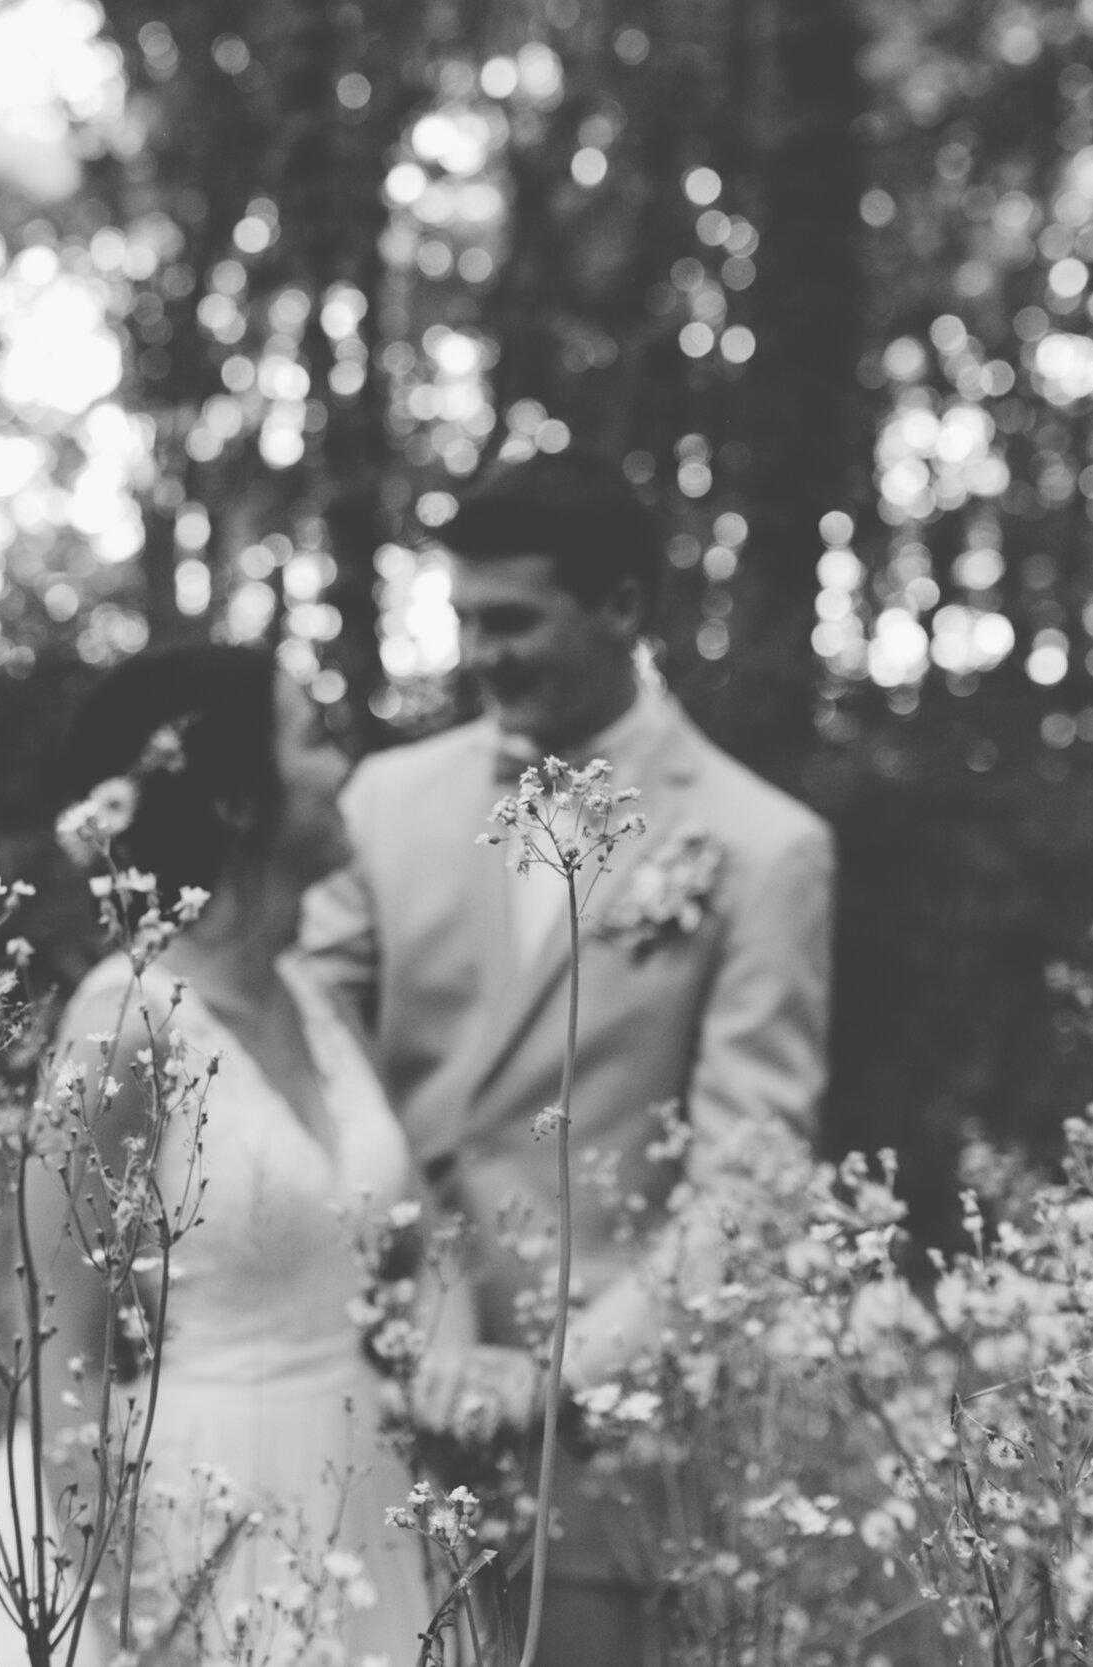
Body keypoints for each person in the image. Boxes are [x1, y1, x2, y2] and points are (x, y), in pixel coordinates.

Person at [302, 448, 834, 1667]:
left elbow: (752, 1167)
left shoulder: (764, 845)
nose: (480, 654)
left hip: (603, 1424)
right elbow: (311, 1068)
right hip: (372, 1373)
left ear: (624, 607)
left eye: (512, 620)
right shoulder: (383, 802)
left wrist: (566, 1369)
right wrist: (424, 1319)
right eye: (463, 620)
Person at [0, 646, 434, 1667]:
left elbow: (407, 1252)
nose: (337, 763)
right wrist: (130, 1609)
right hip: (201, 1512)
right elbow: (54, 1345)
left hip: (363, 1495)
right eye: (310, 736)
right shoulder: (128, 1023)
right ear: (234, 799)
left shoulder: (318, 998)